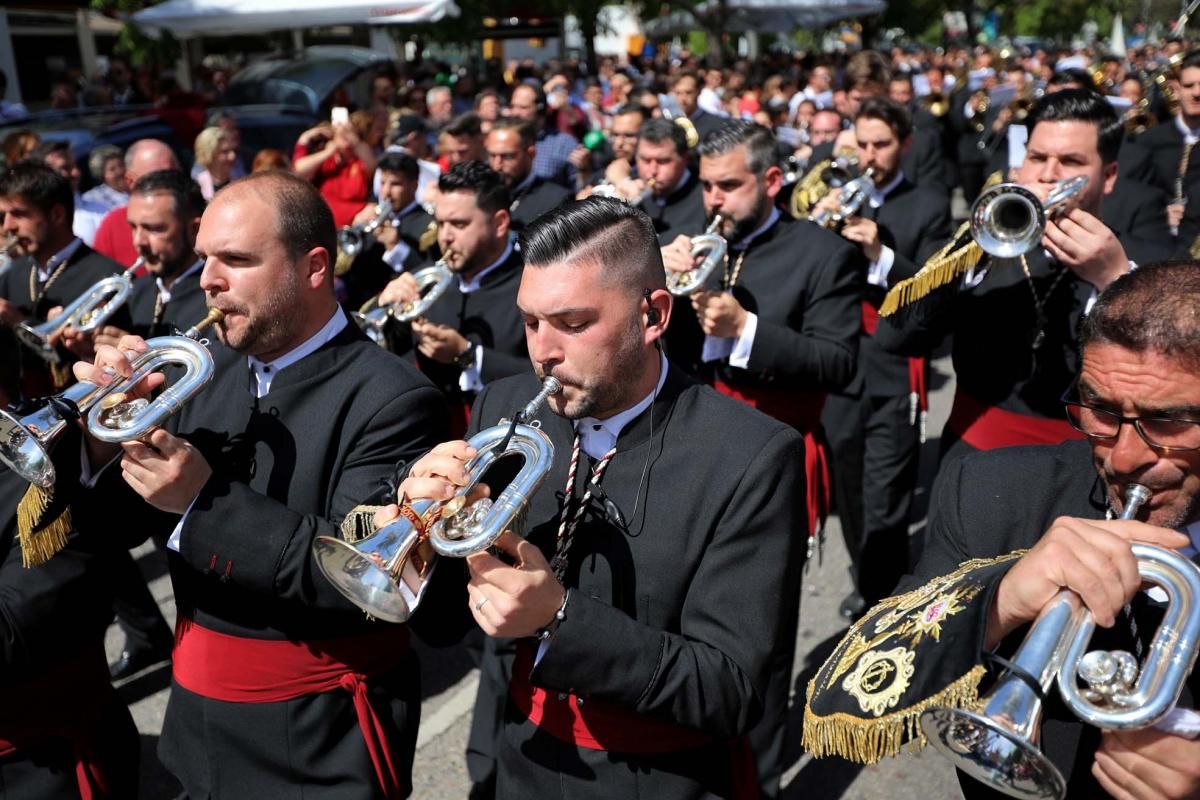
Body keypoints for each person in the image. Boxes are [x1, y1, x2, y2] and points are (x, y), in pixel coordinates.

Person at [383, 195, 806, 799]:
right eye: (531, 322)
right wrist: (428, 535)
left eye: (573, 324)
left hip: (660, 780)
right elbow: (455, 627)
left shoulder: (751, 453)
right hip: (517, 751)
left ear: (653, 315)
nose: (542, 352)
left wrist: (562, 619)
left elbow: (733, 691)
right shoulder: (503, 405)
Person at [72, 170, 448, 797]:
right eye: (204, 259)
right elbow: (110, 531)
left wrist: (201, 500)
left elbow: (358, 579)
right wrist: (101, 437)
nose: (208, 281)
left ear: (314, 267)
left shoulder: (395, 398)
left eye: (236, 260)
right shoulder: (208, 365)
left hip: (315, 734)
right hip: (197, 720)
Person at [805, 261, 1200, 800]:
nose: (1124, 457)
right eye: (1100, 411)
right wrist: (998, 600)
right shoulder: (992, 490)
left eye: (1168, 424)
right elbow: (843, 693)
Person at [660, 119, 863, 795]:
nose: (711, 200)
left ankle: (760, 778)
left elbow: (839, 363)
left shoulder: (821, 253)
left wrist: (746, 330)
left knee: (761, 638)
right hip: (690, 448)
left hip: (772, 457)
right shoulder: (690, 234)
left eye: (728, 186)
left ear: (771, 181)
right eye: (707, 185)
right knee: (679, 616)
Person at [877, 88, 1136, 464]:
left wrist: (1114, 280)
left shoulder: (1136, 258)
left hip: (1086, 467)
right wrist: (972, 252)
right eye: (1037, 157)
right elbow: (894, 337)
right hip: (974, 458)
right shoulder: (982, 247)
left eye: (1071, 161)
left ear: (1108, 176)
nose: (1048, 175)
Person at [813, 97, 953, 619]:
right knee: (847, 489)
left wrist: (883, 255)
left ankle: (883, 595)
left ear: (906, 145)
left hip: (893, 366)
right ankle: (866, 574)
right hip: (839, 365)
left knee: (886, 493)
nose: (871, 155)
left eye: (883, 144)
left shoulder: (929, 205)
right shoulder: (837, 196)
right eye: (863, 144)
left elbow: (938, 292)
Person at [376, 160, 526, 432]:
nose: (444, 237)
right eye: (440, 223)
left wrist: (468, 356)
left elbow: (547, 378)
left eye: (458, 224)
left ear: (500, 223)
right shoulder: (425, 277)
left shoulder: (531, 285)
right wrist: (389, 313)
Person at [0, 163, 124, 400]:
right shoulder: (13, 273)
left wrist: (19, 322)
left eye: (19, 214)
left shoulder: (106, 275)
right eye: (3, 216)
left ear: (57, 214)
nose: (8, 227)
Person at [342, 152, 438, 312]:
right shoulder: (370, 217)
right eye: (382, 183)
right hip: (360, 307)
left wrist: (396, 247)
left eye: (395, 184)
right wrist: (355, 227)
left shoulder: (428, 223)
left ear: (414, 186)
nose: (385, 192)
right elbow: (341, 269)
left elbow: (429, 275)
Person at [91, 138, 181, 267]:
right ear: (130, 181)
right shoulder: (111, 228)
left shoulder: (205, 217)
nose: (168, 186)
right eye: (156, 180)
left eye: (173, 175)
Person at [294, 110, 381, 227]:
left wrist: (355, 141)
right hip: (323, 224)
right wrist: (328, 152)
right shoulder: (325, 160)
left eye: (350, 134)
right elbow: (298, 170)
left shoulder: (359, 163)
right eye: (341, 135)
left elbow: (372, 165)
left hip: (352, 226)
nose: (346, 138)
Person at [486, 117, 570, 232]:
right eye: (492, 156)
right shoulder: (481, 195)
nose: (497, 165)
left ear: (531, 154)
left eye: (507, 156)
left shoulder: (556, 201)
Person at [635, 117, 706, 246]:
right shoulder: (631, 186)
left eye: (663, 161)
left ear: (685, 159)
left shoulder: (705, 197)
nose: (652, 171)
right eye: (645, 160)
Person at [192, 125, 239, 201]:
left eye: (233, 151)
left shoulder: (240, 183)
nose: (232, 156)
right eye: (225, 152)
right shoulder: (196, 187)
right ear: (209, 154)